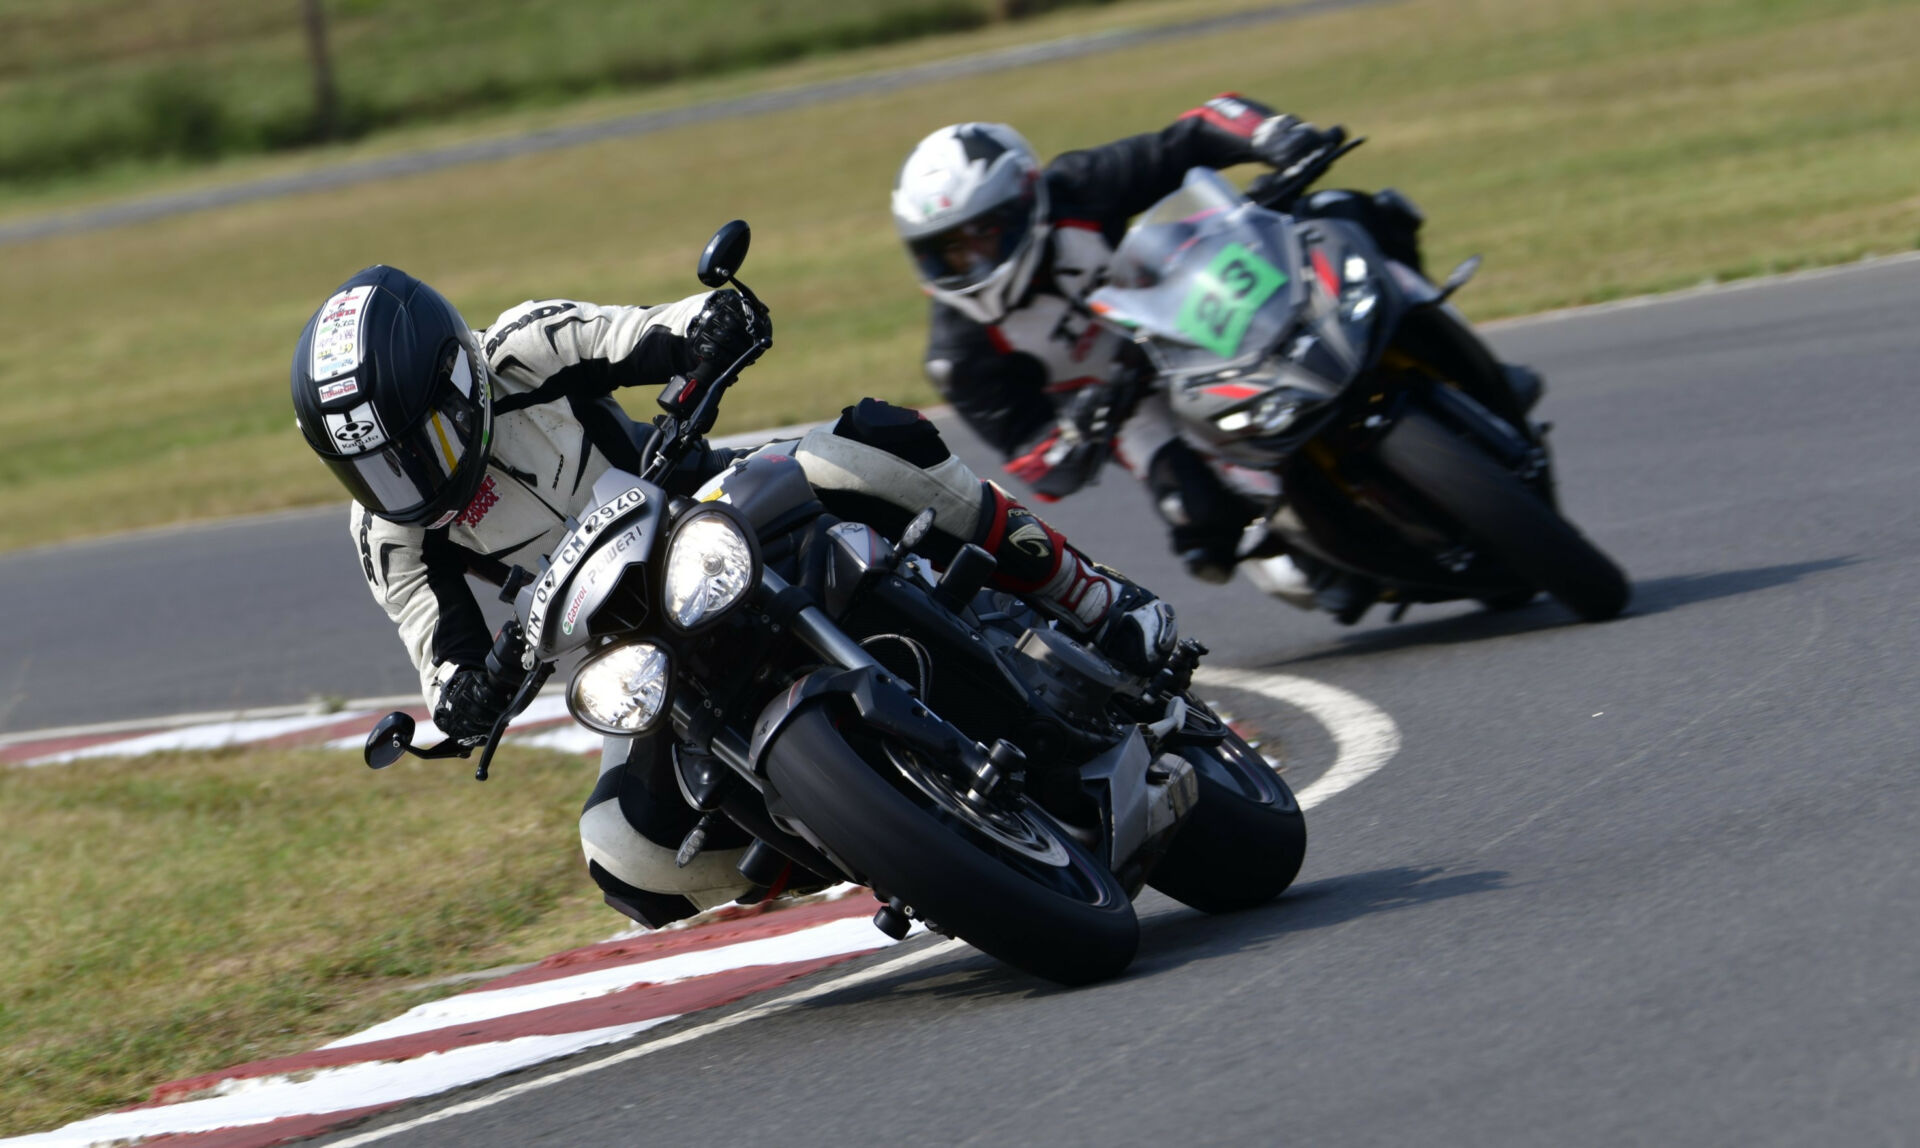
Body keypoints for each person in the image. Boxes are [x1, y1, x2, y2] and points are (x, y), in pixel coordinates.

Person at [289, 265, 1176, 926]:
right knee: (620, 853)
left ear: (458, 378)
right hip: (635, 655)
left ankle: (1094, 599)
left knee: (869, 445)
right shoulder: (390, 535)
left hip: (710, 513)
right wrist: (468, 698)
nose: (404, 477)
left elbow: (648, 330)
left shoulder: (521, 350)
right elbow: (437, 658)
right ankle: (865, 839)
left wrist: (712, 327)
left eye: (415, 443)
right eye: (370, 467)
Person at [891, 95, 1539, 620]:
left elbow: (1200, 129)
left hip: (1203, 302)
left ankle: (1455, 355)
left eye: (983, 233)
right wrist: (1076, 428)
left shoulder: (1079, 187)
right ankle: (1328, 553)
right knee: (1202, 523)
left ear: (1026, 198)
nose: (971, 261)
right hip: (1134, 404)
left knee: (1348, 213)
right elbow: (1034, 459)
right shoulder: (960, 353)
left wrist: (1278, 138)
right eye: (948, 250)